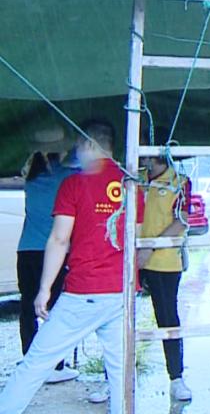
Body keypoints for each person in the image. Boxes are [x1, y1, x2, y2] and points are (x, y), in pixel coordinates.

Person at [0, 119, 139, 414]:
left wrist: (44, 290)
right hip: (121, 292)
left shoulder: (73, 183)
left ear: (90, 145)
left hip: (84, 291)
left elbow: (60, 239)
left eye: (78, 146)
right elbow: (136, 239)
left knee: (35, 363)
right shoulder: (130, 183)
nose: (75, 153)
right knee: (120, 372)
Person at [15, 126, 80, 386]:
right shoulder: (66, 176)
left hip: (26, 249)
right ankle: (55, 364)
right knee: (54, 308)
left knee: (27, 306)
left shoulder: (31, 177)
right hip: (53, 251)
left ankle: (30, 359)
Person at [137, 153, 194, 401]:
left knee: (167, 317)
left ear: (156, 155)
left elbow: (182, 220)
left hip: (164, 260)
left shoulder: (180, 181)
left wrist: (150, 247)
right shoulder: (134, 178)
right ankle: (114, 378)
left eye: (145, 152)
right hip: (130, 258)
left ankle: (176, 377)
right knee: (117, 317)